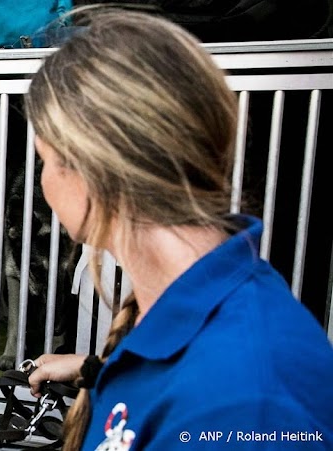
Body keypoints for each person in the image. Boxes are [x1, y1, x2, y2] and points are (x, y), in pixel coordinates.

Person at [22, 8, 333, 451]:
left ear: (96, 168)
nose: (44, 182)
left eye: (45, 160)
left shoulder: (246, 405)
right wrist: (102, 369)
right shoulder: (183, 309)